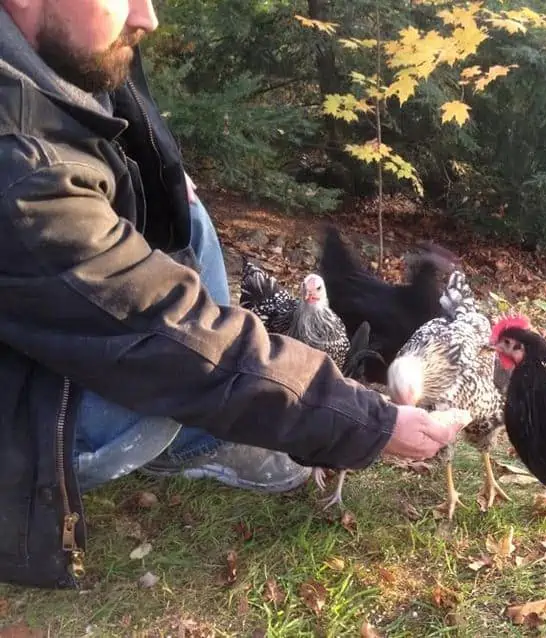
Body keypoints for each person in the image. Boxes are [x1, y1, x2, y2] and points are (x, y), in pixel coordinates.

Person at [0, 0, 471, 590]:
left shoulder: (57, 50)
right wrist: (365, 422)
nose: (148, 18)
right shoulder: (18, 171)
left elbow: (109, 128)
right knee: (163, 380)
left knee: (187, 217)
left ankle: (201, 421)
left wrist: (168, 177)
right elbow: (164, 333)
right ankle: (188, 437)